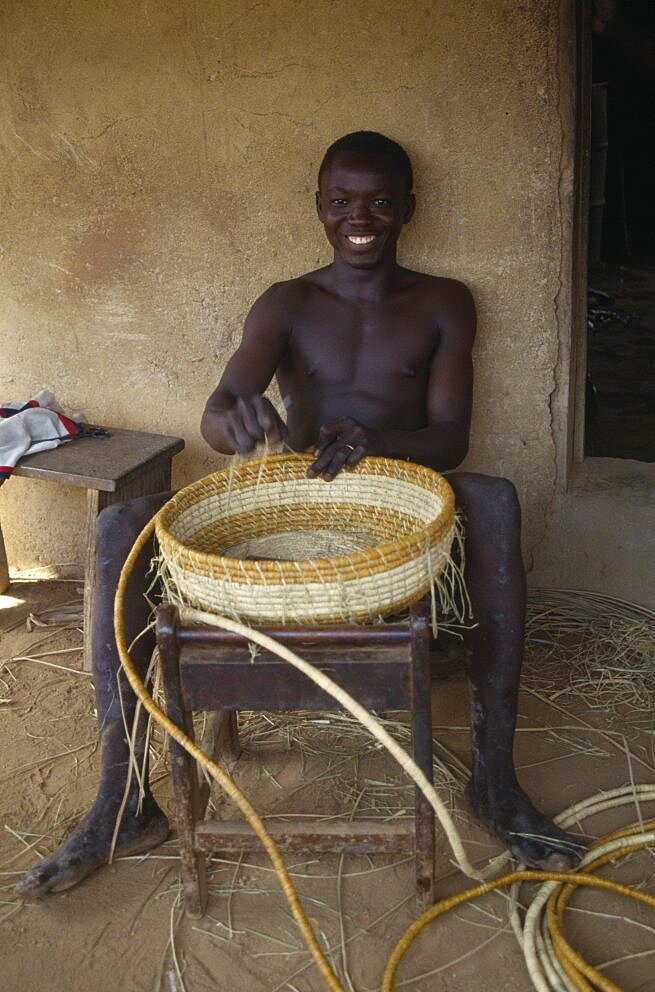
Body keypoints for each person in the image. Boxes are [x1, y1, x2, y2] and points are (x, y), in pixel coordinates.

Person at [16, 131, 582, 899]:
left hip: (398, 500)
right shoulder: (288, 302)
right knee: (121, 525)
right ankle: (121, 799)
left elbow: (451, 439)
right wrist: (236, 423)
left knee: (494, 497)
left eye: (381, 203)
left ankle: (494, 783)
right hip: (297, 494)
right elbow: (220, 411)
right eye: (342, 202)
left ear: (407, 210)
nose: (362, 218)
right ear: (318, 208)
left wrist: (380, 439)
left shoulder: (443, 301)